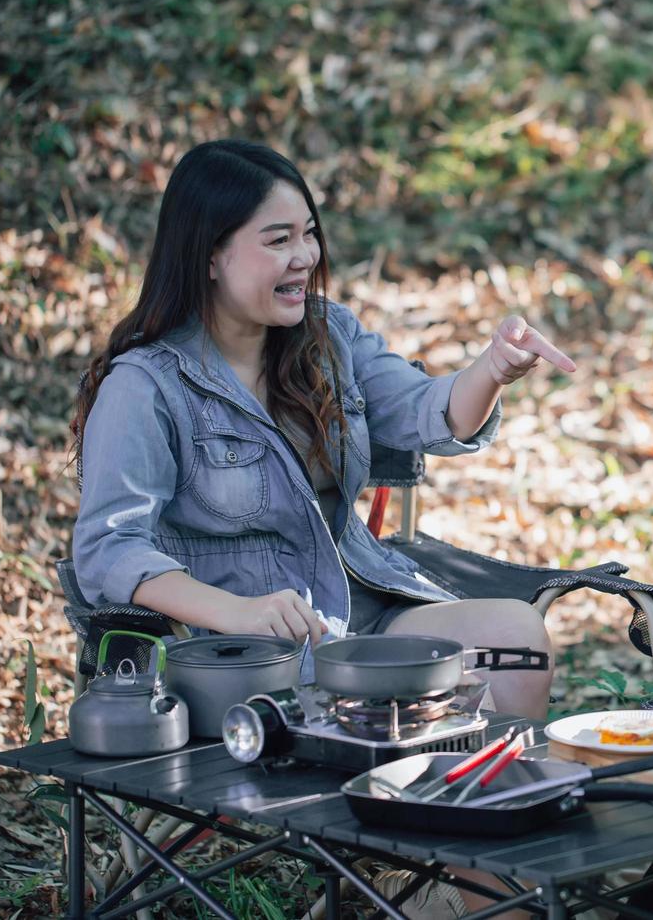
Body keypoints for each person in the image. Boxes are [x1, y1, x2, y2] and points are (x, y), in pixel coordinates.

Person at [70, 139, 574, 719]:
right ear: (209, 256)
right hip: (241, 654)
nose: (305, 256)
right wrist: (234, 612)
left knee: (517, 636)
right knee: (398, 699)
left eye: (308, 233)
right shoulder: (146, 386)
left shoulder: (327, 337)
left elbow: (430, 412)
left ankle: (473, 803)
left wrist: (493, 369)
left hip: (358, 617)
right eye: (278, 239)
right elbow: (109, 548)